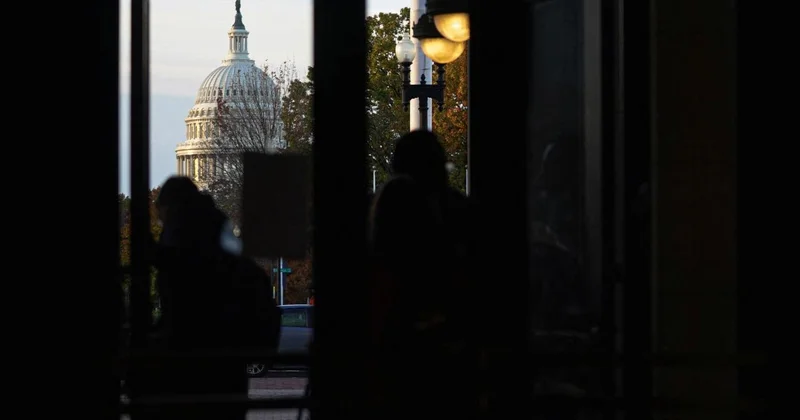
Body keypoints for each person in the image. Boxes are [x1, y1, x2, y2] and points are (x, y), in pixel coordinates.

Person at [127, 176, 279, 420]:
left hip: (198, 370)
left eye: (161, 213)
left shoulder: (185, 236)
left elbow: (189, 290)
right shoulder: (215, 230)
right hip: (225, 373)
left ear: (169, 207)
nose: (161, 220)